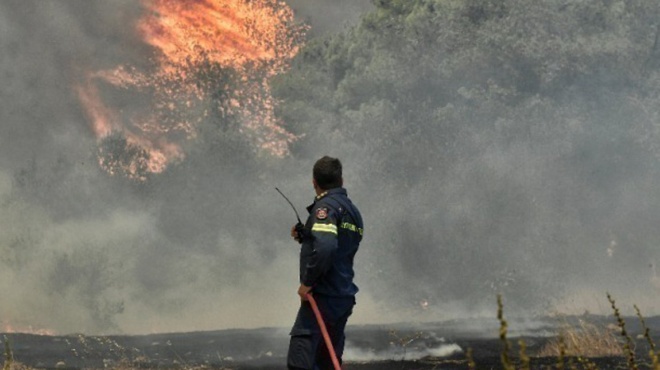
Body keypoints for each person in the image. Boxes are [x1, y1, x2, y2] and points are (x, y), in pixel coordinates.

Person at [287, 156, 364, 370]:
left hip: (323, 296)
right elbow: (340, 245)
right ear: (341, 179)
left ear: (314, 182)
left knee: (300, 361)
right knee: (326, 361)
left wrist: (308, 282)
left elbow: (326, 248)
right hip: (342, 295)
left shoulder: (324, 209)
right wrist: (307, 235)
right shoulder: (352, 211)